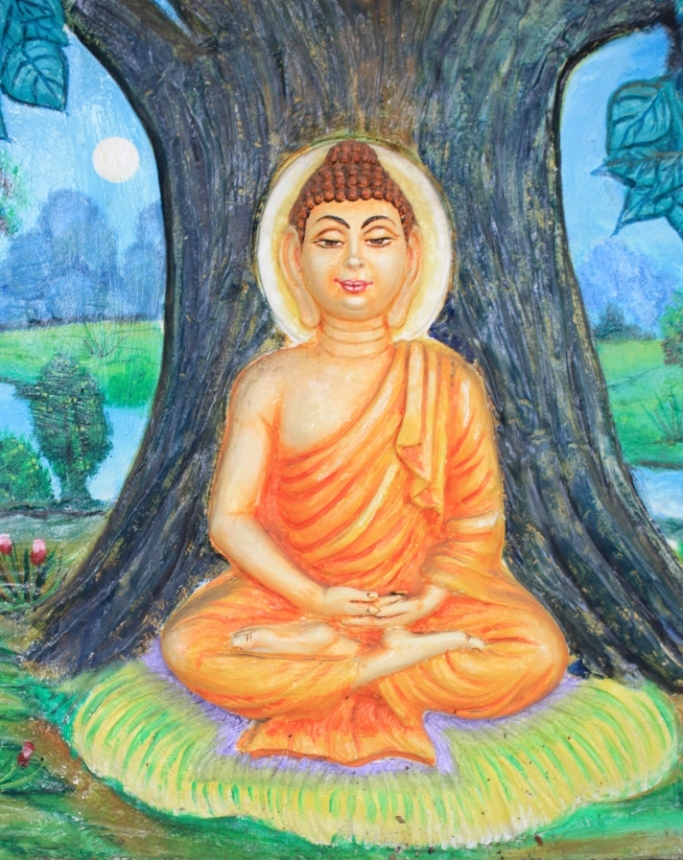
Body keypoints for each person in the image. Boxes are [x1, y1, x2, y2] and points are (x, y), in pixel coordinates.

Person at [161, 140, 568, 767]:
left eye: (378, 239)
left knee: (539, 652)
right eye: (329, 240)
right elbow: (231, 520)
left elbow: (475, 521)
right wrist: (314, 598)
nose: (354, 259)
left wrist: (430, 598)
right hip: (295, 601)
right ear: (293, 257)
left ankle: (339, 662)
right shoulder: (267, 382)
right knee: (189, 646)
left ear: (413, 255)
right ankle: (382, 664)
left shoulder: (446, 379)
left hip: (413, 605)